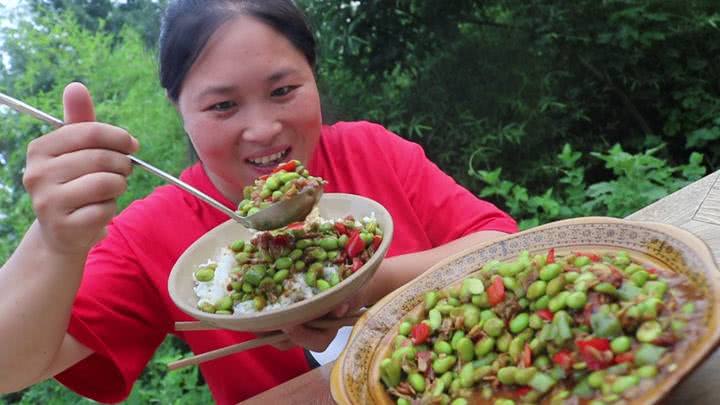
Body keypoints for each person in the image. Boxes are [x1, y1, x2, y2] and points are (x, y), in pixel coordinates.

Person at [0, 0, 517, 403]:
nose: (264, 129)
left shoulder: (370, 150)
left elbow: (507, 247)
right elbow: (12, 366)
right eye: (223, 105)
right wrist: (55, 243)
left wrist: (362, 284)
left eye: (283, 90)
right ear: (178, 107)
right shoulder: (153, 229)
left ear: (314, 76)